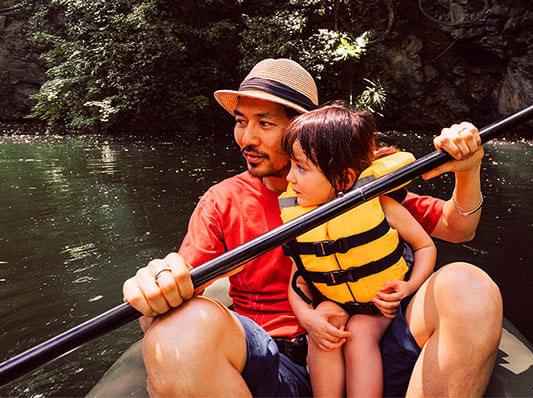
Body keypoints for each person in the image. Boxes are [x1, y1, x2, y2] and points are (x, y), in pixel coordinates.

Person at [122, 58, 503, 397]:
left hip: (370, 343)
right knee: (175, 331)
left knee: (470, 286)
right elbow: (165, 310)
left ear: (301, 129)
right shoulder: (222, 201)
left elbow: (458, 229)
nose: (247, 139)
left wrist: (468, 171)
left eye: (265, 124)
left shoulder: (358, 187)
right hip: (274, 364)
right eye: (241, 122)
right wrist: (154, 290)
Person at [279, 104, 437, 397]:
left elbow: (425, 246)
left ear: (343, 179)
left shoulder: (382, 205)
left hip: (379, 305)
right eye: (291, 165)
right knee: (324, 320)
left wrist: (407, 286)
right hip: (337, 301)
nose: (289, 178)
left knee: (361, 333)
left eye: (300, 167)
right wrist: (306, 317)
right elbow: (297, 281)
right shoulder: (302, 222)